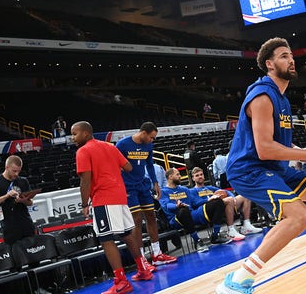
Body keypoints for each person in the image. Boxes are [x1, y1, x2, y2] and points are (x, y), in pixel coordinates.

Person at [216, 37, 306, 294]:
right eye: (284, 56)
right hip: (249, 169)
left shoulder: (282, 99)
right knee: (299, 216)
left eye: (291, 55)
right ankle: (238, 280)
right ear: (270, 64)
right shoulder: (262, 95)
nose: (291, 60)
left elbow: (281, 144)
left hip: (273, 168)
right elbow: (264, 148)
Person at [71, 121, 153, 294]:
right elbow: (128, 167)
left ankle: (121, 281)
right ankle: (143, 269)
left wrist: (85, 204)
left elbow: (85, 180)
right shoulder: (109, 147)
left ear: (86, 134)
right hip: (120, 196)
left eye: (74, 134)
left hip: (104, 198)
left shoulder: (83, 151)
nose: (72, 138)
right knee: (126, 234)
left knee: (106, 239)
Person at [115, 122, 177, 270]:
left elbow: (149, 164)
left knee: (151, 216)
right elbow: (115, 165)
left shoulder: (148, 146)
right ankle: (141, 260)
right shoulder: (122, 144)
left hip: (143, 183)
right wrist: (119, 186)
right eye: (151, 137)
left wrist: (155, 182)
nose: (152, 140)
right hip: (128, 186)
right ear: (143, 133)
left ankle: (157, 254)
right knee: (136, 220)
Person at [159, 168, 230, 253]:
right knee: (183, 210)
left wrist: (210, 200)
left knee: (218, 202)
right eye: (177, 174)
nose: (180, 176)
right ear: (170, 177)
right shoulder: (163, 191)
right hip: (176, 219)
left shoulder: (184, 189)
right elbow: (167, 206)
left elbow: (195, 203)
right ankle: (197, 241)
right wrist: (176, 206)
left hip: (192, 213)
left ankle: (215, 236)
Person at [189, 167, 262, 242]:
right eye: (197, 175)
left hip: (221, 206)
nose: (200, 176)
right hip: (207, 210)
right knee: (228, 200)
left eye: (201, 174)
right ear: (193, 178)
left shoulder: (209, 188)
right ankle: (231, 230)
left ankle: (246, 225)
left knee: (244, 196)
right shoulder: (192, 191)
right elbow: (195, 203)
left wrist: (233, 197)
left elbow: (225, 191)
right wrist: (209, 199)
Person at [0, 155, 36, 246]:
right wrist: (6, 196)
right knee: (15, 255)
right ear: (6, 167)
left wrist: (22, 200)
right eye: (14, 171)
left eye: (19, 171)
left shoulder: (23, 181)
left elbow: (30, 202)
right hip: (9, 226)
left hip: (26, 223)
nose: (16, 174)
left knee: (33, 251)